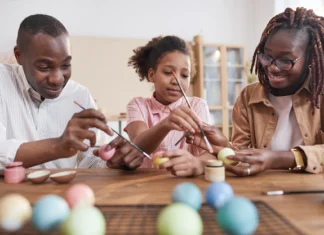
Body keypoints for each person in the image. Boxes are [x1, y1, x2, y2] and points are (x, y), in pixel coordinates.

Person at [189, 7, 324, 176]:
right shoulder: (248, 97)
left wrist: (277, 159)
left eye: (285, 60)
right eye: (267, 56)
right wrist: (224, 146)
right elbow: (242, 159)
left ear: (311, 59)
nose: (273, 67)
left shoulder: (321, 95)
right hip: (265, 191)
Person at [0, 14, 113, 169]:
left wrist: (112, 160)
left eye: (65, 65)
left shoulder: (79, 95)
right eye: (44, 67)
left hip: (61, 192)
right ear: (19, 56)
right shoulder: (2, 82)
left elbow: (92, 161)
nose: (57, 79)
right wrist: (58, 146)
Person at [101, 36, 214, 176]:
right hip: (144, 186)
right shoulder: (138, 105)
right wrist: (165, 124)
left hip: (186, 184)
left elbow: (212, 153)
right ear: (151, 75)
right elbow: (138, 146)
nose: (176, 80)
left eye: (185, 75)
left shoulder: (197, 106)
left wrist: (197, 163)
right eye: (168, 72)